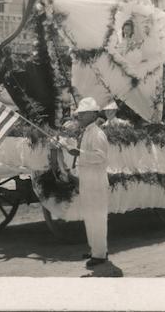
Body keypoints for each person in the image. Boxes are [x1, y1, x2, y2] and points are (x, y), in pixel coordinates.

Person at [63, 97, 110, 267]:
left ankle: (100, 254)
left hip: (96, 181)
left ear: (92, 114)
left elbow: (100, 157)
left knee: (96, 217)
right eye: (79, 114)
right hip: (88, 180)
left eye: (82, 114)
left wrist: (79, 153)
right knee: (90, 217)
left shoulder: (97, 134)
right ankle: (96, 249)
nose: (79, 117)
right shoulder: (88, 131)